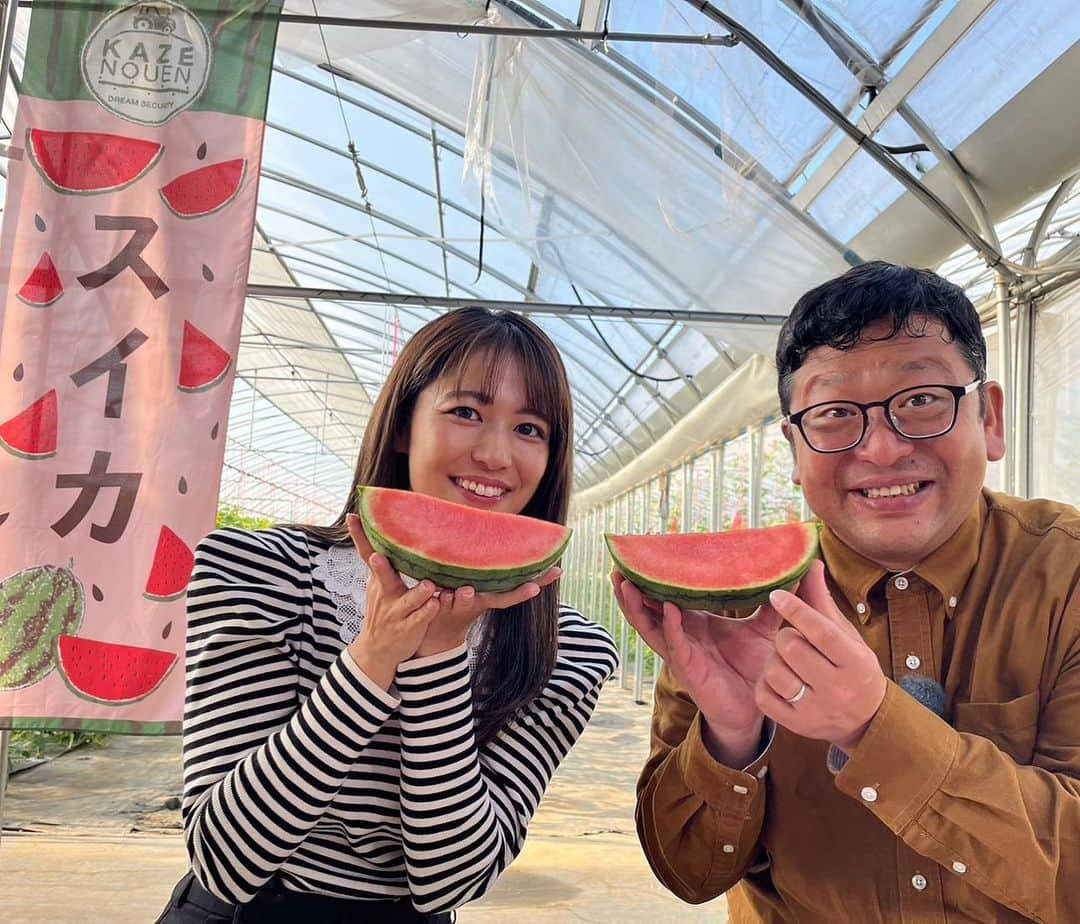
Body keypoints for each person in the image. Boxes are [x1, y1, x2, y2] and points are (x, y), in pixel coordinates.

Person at [614, 261, 1080, 923]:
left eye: (921, 399)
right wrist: (731, 739)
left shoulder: (1068, 577)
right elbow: (688, 872)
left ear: (991, 417)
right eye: (834, 414)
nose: (883, 449)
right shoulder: (733, 605)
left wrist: (873, 726)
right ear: (796, 450)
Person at [157, 308, 618, 923]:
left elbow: (450, 878)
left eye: (531, 428)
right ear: (403, 424)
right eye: (466, 412)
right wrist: (372, 657)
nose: (495, 454)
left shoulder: (570, 649)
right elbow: (226, 857)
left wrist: (439, 660)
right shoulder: (261, 569)